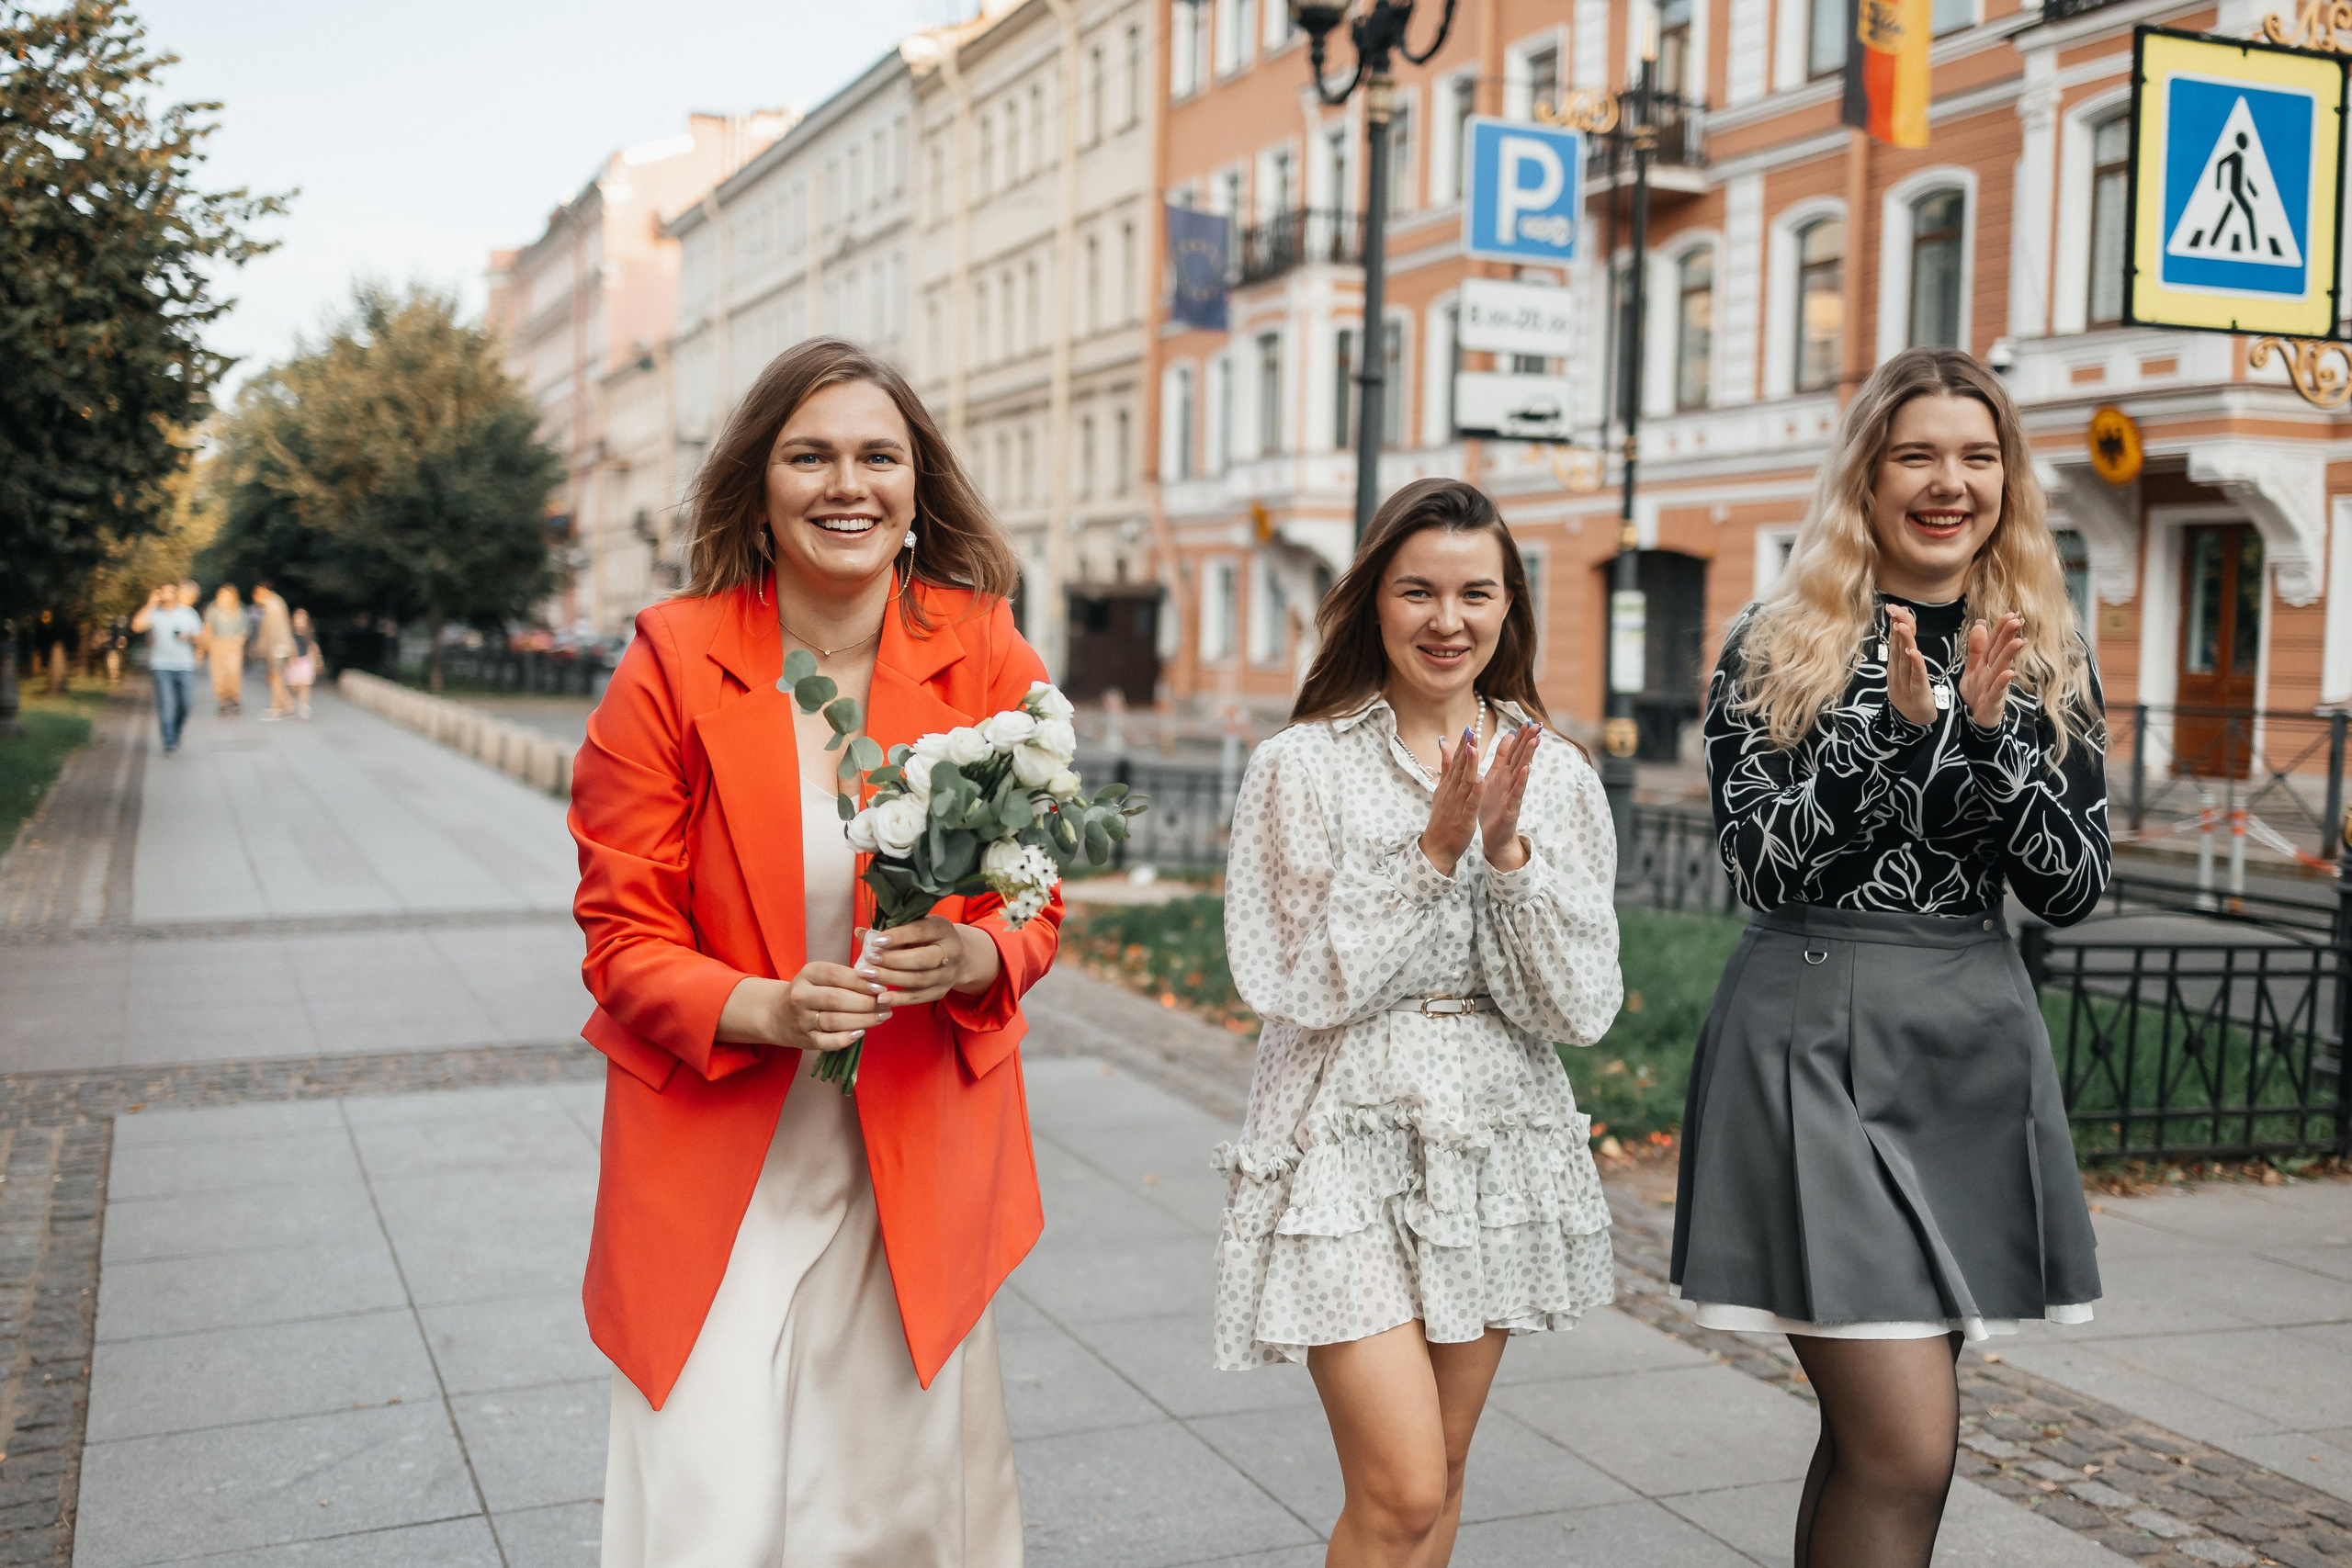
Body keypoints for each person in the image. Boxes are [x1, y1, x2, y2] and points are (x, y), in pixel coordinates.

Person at [572, 336, 1053, 1568]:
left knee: (890, 1515)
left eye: (878, 456)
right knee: (711, 1509)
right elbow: (621, 934)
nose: (848, 484)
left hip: (914, 1147)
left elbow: (1032, 890)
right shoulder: (671, 660)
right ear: (758, 486)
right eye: (810, 456)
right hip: (720, 1147)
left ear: (916, 486)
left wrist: (978, 957)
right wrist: (766, 1007)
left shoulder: (986, 652)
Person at [1671, 347, 2109, 1568]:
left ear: (2007, 480)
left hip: (1970, 1043)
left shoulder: (2048, 649)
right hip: (1812, 1034)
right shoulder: (1776, 641)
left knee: (1872, 1444)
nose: (1948, 482)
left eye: (1976, 456)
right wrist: (1892, 737)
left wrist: (1987, 742)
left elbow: (2072, 888)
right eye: (1916, 454)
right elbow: (1763, 866)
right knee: (1907, 1445)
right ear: (1866, 477)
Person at [1214, 478, 1623, 1568]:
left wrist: (1506, 856)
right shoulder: (1300, 766)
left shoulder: (1556, 775)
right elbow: (1289, 982)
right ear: (1373, 601)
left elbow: (1578, 1006)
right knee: (1399, 1491)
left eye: (1474, 593)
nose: (1448, 620)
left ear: (1508, 606)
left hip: (1489, 1141)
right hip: (1341, 1138)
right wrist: (1430, 855)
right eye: (1417, 592)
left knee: (1439, 1475)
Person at [130, 584, 202, 752]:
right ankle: (169, 740)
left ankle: (175, 730)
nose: (167, 595)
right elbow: (136, 626)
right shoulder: (154, 613)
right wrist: (150, 603)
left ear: (176, 595)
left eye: (171, 592)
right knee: (166, 704)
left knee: (186, 704)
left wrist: (188, 637)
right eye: (164, 592)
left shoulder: (188, 613)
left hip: (185, 665)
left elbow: (201, 638)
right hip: (161, 665)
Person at [201, 585, 246, 716]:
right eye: (221, 595)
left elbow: (244, 630)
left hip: (233, 645)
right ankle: (222, 701)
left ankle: (235, 698)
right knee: (219, 674)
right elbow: (208, 628)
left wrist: (239, 640)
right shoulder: (213, 610)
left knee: (233, 672)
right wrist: (205, 647)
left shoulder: (238, 610)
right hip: (217, 643)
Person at [253, 584, 295, 718]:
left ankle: (283, 706)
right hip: (279, 646)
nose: (255, 597)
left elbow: (273, 631)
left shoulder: (272, 605)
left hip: (277, 648)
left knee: (276, 677)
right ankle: (279, 705)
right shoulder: (276, 602)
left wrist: (264, 649)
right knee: (275, 677)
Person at [286, 609, 318, 719]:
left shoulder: (309, 634)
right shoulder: (291, 634)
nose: (299, 622)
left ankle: (303, 706)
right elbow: (289, 649)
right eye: (297, 619)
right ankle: (292, 700)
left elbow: (313, 647)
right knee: (293, 686)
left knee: (305, 685)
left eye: (302, 619)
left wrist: (316, 661)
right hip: (294, 662)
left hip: (305, 661)